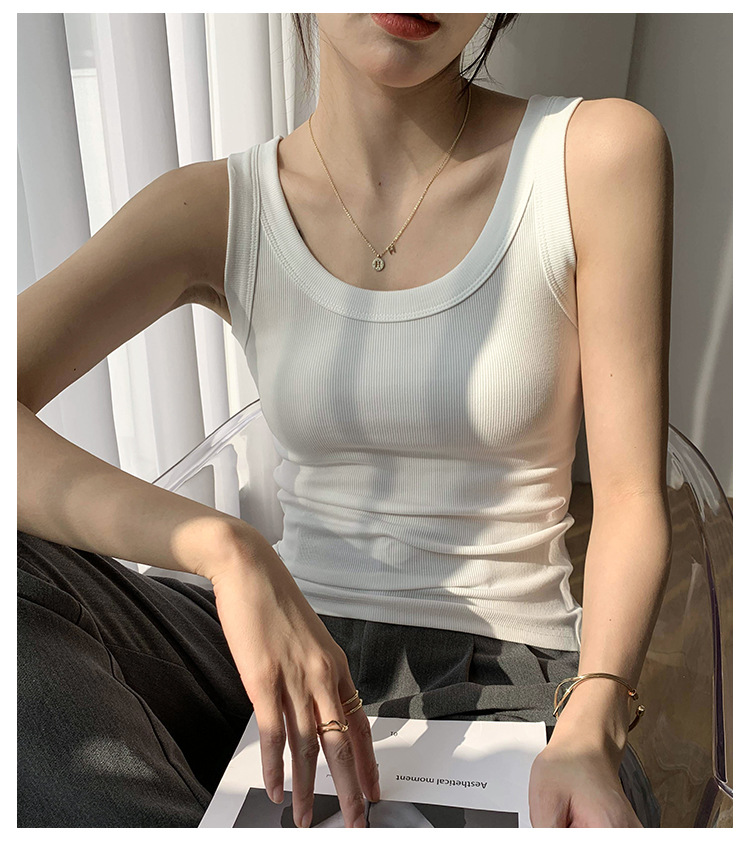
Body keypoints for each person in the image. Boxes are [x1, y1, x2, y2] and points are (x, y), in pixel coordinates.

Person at [17, 13, 673, 828]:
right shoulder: (217, 205)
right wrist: (226, 549)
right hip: (275, 654)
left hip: (509, 676)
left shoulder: (595, 154)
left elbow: (631, 498)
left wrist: (592, 722)